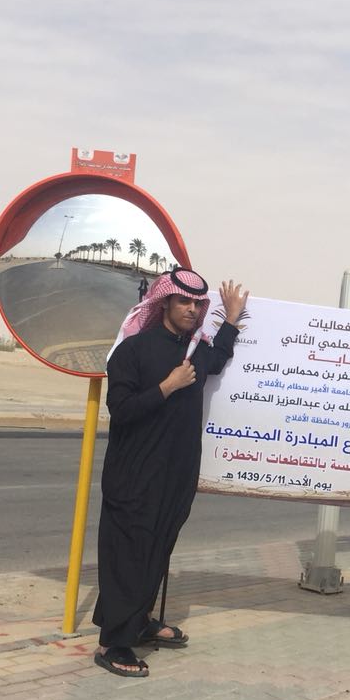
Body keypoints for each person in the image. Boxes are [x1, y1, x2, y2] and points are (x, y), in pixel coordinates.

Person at [93, 268, 249, 677]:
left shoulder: (195, 351)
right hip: (134, 474)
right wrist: (169, 385)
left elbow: (219, 356)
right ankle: (114, 643)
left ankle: (138, 621)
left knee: (158, 548)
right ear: (164, 302)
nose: (192, 310)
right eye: (184, 301)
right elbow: (122, 411)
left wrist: (232, 318)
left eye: (198, 304)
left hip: (176, 473)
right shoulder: (132, 350)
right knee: (129, 553)